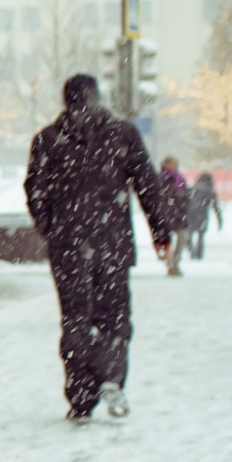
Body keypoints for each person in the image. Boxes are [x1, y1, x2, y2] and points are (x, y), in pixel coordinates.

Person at [23, 75, 174, 421]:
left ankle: (80, 395)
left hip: (71, 247)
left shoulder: (49, 140)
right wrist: (160, 231)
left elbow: (35, 190)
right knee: (114, 319)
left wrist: (53, 228)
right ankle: (111, 378)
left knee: (76, 320)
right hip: (111, 243)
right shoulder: (122, 135)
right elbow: (147, 184)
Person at [157, 156, 192, 275]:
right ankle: (170, 265)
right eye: (170, 164)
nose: (172, 166)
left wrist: (184, 201)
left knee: (182, 238)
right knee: (168, 241)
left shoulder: (179, 178)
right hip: (166, 213)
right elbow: (160, 195)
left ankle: (175, 263)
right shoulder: (160, 178)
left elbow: (186, 194)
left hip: (179, 213)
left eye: (174, 164)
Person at [184, 167, 223, 261]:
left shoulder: (191, 189)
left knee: (189, 235)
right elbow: (215, 207)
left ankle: (192, 252)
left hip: (190, 214)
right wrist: (219, 221)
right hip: (202, 216)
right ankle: (199, 255)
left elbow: (183, 202)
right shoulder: (210, 192)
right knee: (201, 237)